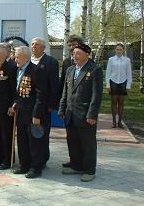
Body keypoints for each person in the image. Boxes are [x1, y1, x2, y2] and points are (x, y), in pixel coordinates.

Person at [59, 43, 103, 182]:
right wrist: (62, 108)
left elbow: (96, 95)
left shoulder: (94, 70)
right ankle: (76, 165)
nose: (74, 56)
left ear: (87, 54)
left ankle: (89, 170)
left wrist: (92, 114)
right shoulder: (70, 70)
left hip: (85, 114)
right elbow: (65, 92)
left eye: (78, 53)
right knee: (72, 141)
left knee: (87, 144)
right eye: (73, 53)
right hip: (70, 113)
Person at [9, 46, 48, 179]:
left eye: (17, 57)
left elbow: (41, 95)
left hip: (32, 112)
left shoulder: (36, 70)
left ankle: (35, 167)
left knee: (34, 142)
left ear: (25, 57)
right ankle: (24, 164)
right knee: (22, 140)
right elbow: (17, 90)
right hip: (21, 111)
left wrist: (37, 114)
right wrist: (15, 102)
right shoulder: (18, 70)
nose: (15, 59)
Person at [30, 37, 59, 166]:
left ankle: (42, 160)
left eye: (36, 45)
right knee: (30, 134)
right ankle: (32, 157)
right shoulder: (28, 60)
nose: (33, 47)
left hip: (44, 104)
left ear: (43, 47)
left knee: (42, 133)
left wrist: (52, 104)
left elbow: (54, 85)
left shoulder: (51, 61)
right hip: (29, 104)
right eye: (32, 45)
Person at [59, 34, 83, 168]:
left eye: (74, 45)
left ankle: (83, 162)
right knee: (71, 136)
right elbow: (63, 83)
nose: (71, 48)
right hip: (69, 106)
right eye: (69, 45)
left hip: (81, 107)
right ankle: (73, 160)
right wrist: (61, 105)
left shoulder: (88, 63)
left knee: (82, 137)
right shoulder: (67, 62)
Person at [106, 43, 132, 128]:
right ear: (115, 50)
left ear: (123, 50)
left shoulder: (127, 60)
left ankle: (120, 122)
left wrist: (128, 85)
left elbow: (129, 74)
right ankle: (114, 121)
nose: (119, 51)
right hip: (113, 82)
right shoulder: (111, 59)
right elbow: (108, 73)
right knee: (113, 103)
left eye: (120, 49)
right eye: (117, 49)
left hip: (123, 83)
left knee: (121, 103)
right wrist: (108, 84)